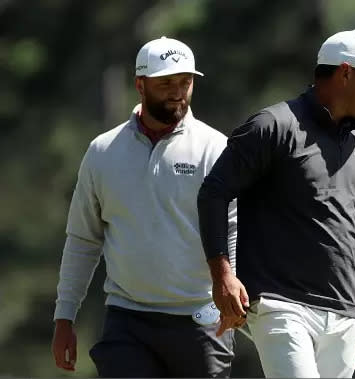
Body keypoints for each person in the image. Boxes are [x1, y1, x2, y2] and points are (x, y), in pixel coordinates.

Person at [197, 29, 355, 378]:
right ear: (345, 73)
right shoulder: (273, 126)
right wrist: (223, 278)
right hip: (281, 304)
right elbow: (213, 193)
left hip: (344, 312)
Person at [51, 36, 237, 378]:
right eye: (166, 83)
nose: (178, 91)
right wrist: (65, 316)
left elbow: (234, 230)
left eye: (185, 82)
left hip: (201, 319)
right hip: (128, 319)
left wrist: (230, 295)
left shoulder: (215, 148)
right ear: (140, 85)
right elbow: (83, 240)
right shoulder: (103, 151)